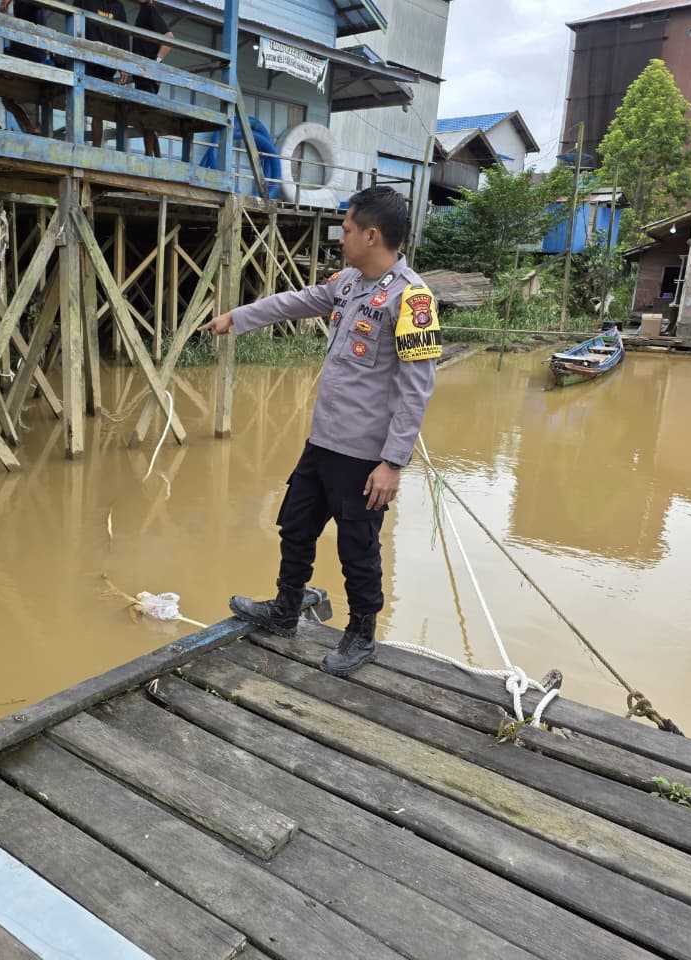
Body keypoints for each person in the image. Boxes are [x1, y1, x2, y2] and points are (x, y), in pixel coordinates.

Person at [200, 186, 441, 677]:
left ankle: (361, 634)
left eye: (348, 229)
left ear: (372, 235)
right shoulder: (348, 283)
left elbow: (417, 390)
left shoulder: (413, 300)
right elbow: (295, 302)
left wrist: (393, 463)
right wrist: (236, 319)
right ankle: (286, 609)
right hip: (322, 442)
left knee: (358, 547)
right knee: (296, 525)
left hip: (364, 456)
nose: (342, 236)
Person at [0, 0, 46, 135]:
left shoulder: (26, 5)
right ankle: (30, 127)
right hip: (25, 54)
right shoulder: (18, 6)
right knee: (6, 100)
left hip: (26, 56)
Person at [76, 0, 128, 147]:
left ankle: (96, 148)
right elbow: (75, 24)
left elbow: (122, 36)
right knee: (79, 101)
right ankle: (76, 145)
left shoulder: (118, 6)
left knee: (98, 110)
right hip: (86, 59)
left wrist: (123, 65)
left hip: (108, 63)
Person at [130, 0, 172, 157]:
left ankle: (149, 156)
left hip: (147, 72)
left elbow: (169, 37)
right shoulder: (144, 10)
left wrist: (156, 61)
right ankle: (157, 156)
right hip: (143, 73)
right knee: (147, 115)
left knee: (147, 115)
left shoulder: (149, 9)